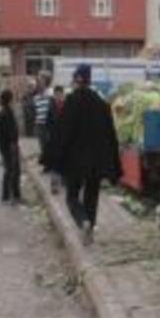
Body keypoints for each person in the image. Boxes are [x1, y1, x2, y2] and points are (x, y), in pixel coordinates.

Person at [53, 65, 121, 245]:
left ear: (77, 80)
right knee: (92, 195)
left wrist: (56, 158)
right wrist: (113, 163)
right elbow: (110, 135)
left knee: (72, 196)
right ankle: (89, 231)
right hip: (96, 162)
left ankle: (83, 220)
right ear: (89, 81)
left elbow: (62, 133)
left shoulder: (71, 101)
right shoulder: (102, 104)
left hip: (74, 162)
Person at [0, 89, 21, 205]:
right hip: (8, 146)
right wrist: (13, 145)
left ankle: (12, 195)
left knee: (12, 170)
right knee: (12, 171)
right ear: (10, 99)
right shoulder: (5, 113)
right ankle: (9, 196)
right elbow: (9, 131)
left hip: (9, 145)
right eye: (13, 98)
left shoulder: (7, 111)